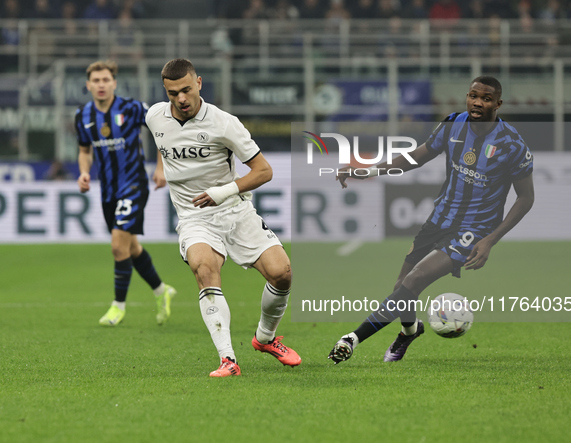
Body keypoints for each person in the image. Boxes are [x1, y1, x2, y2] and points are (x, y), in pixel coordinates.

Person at [328, 76, 535, 364]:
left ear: (498, 104)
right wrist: (367, 171)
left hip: (474, 229)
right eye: (474, 96)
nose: (478, 102)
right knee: (402, 286)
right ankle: (409, 331)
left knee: (414, 280)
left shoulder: (512, 144)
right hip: (439, 218)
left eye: (486, 98)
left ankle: (352, 339)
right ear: (467, 97)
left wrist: (490, 239)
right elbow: (416, 157)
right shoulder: (453, 124)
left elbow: (525, 198)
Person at [146, 58, 300, 378]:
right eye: (173, 93)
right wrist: (161, 167)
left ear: (199, 83)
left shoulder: (224, 123)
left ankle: (265, 339)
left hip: (235, 210)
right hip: (194, 217)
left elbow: (264, 171)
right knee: (204, 267)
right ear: (166, 91)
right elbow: (163, 142)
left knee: (282, 273)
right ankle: (228, 359)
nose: (181, 99)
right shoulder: (154, 116)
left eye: (187, 90)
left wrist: (224, 191)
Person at [75, 60, 176, 327]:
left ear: (114, 83)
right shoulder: (82, 115)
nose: (100, 84)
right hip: (107, 190)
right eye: (95, 81)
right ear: (88, 85)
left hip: (133, 185)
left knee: (118, 246)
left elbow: (162, 131)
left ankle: (118, 306)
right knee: (131, 248)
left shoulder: (131, 108)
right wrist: (83, 172)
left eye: (105, 79)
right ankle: (161, 290)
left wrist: (161, 167)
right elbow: (84, 150)